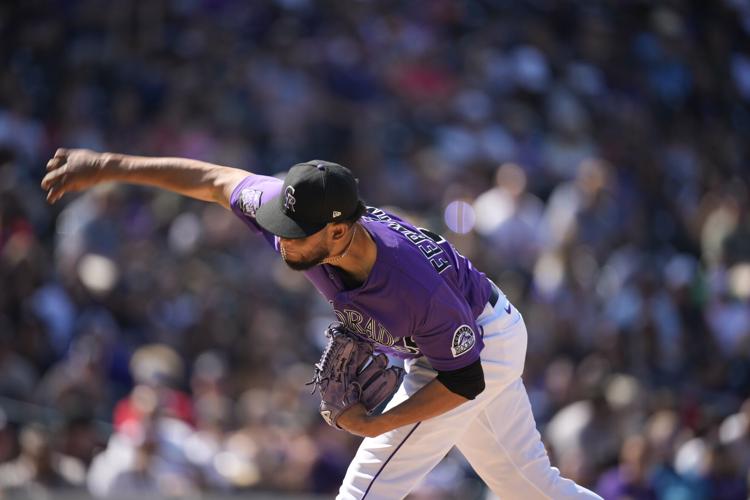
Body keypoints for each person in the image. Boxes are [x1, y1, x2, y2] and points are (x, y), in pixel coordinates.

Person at [41, 149, 603, 499]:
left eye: (296, 231)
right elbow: (214, 179)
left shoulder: (411, 285)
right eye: (281, 223)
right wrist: (109, 166)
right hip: (465, 334)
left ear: (339, 232)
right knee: (530, 490)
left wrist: (377, 424)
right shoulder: (296, 219)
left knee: (363, 490)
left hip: (479, 347)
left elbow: (466, 381)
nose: (280, 238)